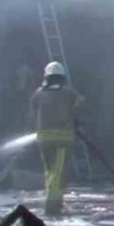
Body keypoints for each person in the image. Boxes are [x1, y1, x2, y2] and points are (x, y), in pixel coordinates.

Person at [31, 61, 83, 216]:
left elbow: (33, 109)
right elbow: (80, 103)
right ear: (62, 77)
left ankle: (54, 202)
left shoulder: (38, 93)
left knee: (50, 172)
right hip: (63, 139)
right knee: (58, 172)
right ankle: (52, 207)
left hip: (43, 139)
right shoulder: (69, 92)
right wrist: (76, 120)